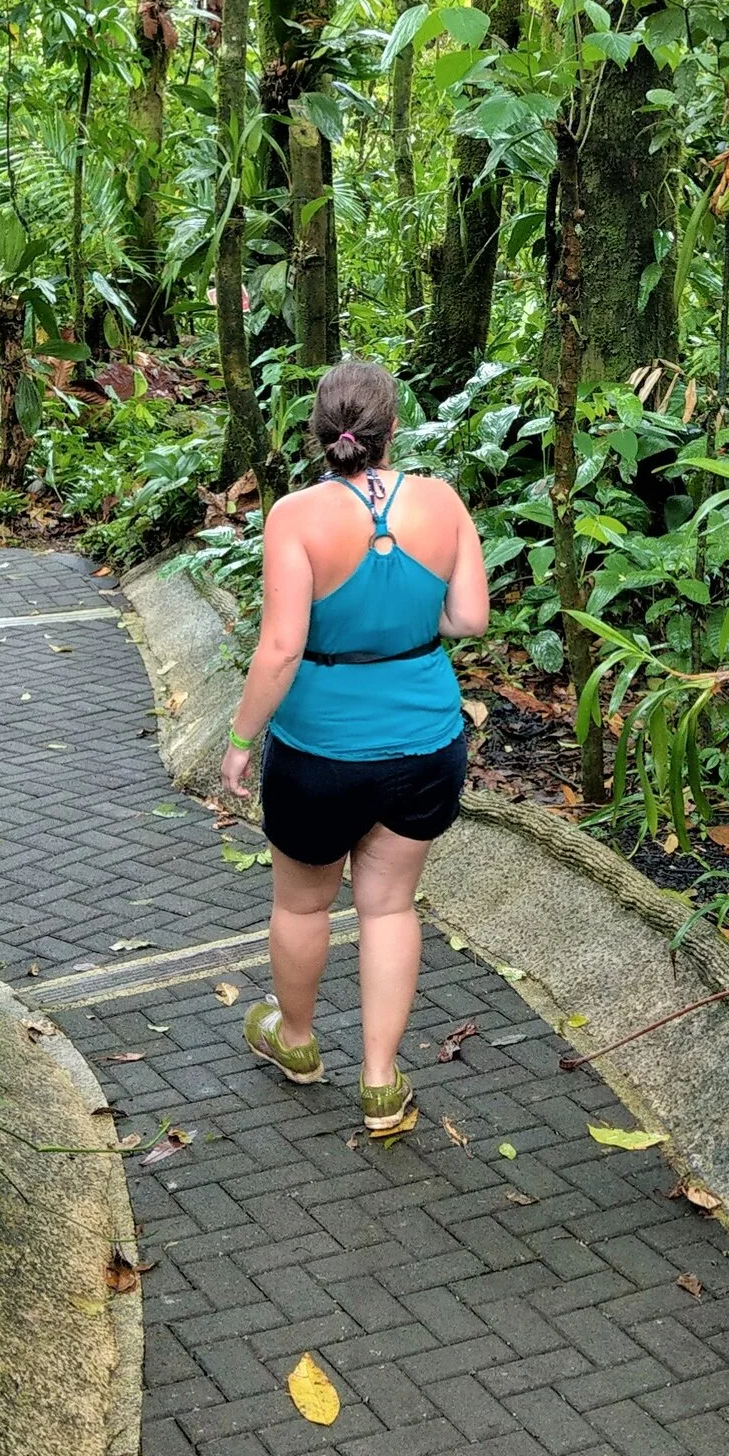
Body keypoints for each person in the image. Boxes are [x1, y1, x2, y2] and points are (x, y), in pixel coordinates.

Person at [219, 357, 488, 1137]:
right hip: (425, 742)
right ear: (392, 427)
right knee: (389, 905)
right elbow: (470, 618)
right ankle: (379, 1082)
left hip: (319, 751)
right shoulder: (441, 501)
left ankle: (298, 1041)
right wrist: (406, 630)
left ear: (318, 432)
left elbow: (281, 648)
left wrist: (240, 739)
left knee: (303, 902)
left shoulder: (294, 516)